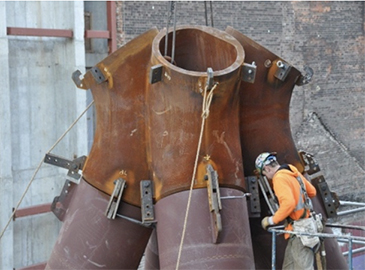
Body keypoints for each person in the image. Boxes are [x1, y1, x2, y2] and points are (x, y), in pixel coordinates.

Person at [255, 152, 317, 270]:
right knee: (289, 267)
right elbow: (312, 191)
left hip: (300, 232)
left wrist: (271, 220)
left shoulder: (279, 179)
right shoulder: (293, 172)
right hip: (302, 228)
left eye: (264, 173)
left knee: (303, 268)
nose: (266, 177)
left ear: (267, 169)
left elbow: (289, 204)